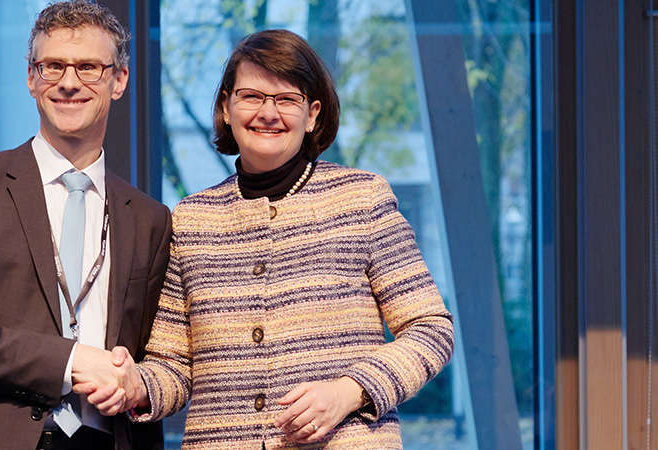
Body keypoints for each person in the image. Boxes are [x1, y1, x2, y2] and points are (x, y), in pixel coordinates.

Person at [97, 29, 455, 449]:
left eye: (287, 99)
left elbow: (431, 330)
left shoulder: (362, 198)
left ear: (313, 114)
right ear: (226, 108)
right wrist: (135, 384)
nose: (268, 112)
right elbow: (174, 366)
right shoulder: (194, 219)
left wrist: (348, 392)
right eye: (251, 96)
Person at [0, 2, 170, 449]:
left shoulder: (150, 218)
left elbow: (155, 356)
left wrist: (138, 382)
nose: (69, 83)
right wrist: (71, 360)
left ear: (119, 80)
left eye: (89, 67)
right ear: (32, 78)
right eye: (52, 66)